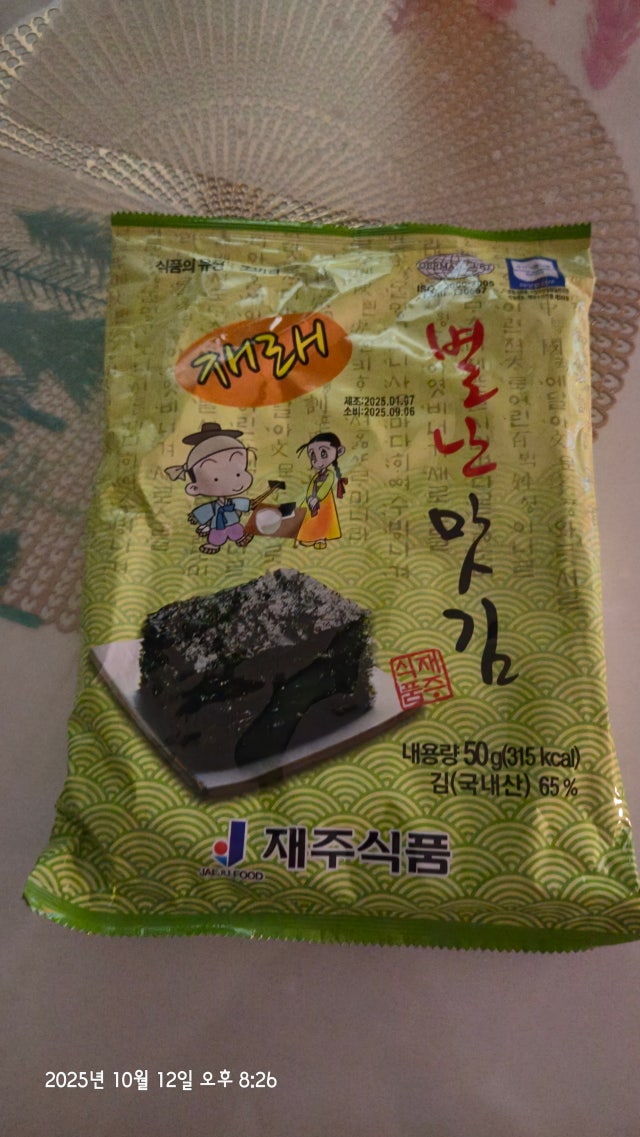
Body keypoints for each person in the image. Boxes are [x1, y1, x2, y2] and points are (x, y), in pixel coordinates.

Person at [165, 421, 256, 554]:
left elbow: (238, 503)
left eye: (238, 473)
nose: (233, 481)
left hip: (233, 522)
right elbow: (207, 510)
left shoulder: (230, 502)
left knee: (236, 529)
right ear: (194, 488)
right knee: (216, 536)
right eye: (216, 479)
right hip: (217, 526)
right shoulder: (214, 506)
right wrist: (196, 516)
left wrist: (250, 504)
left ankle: (241, 537)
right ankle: (213, 544)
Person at [296, 431, 347, 549]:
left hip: (324, 501)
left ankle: (321, 538)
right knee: (308, 518)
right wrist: (310, 497)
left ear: (339, 451)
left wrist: (317, 498)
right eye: (313, 455)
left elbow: (326, 486)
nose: (316, 459)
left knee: (323, 520)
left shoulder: (330, 474)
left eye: (323, 453)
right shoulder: (316, 476)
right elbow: (310, 487)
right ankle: (309, 536)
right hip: (311, 500)